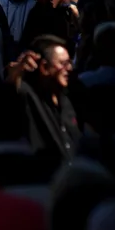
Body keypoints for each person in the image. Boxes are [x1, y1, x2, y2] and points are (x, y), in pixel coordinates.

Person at [10, 34, 81, 173]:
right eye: (63, 63)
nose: (69, 68)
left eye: (70, 63)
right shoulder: (28, 97)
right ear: (44, 67)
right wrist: (16, 73)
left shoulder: (67, 101)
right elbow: (10, 92)